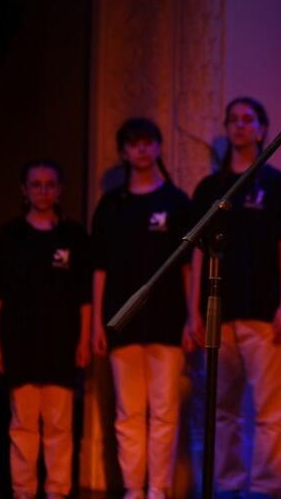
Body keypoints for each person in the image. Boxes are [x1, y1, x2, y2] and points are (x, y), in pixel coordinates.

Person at [189, 97, 281, 499]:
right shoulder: (210, 188)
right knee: (222, 410)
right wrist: (193, 311)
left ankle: (265, 488)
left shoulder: (277, 184)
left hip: (264, 311)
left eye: (247, 119)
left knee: (269, 411)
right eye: (232, 120)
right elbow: (197, 256)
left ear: (262, 128)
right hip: (218, 314)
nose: (239, 126)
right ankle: (228, 484)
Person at [91, 118, 192, 499]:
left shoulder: (176, 201)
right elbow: (99, 268)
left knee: (164, 411)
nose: (142, 149)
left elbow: (188, 267)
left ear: (159, 147)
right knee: (128, 412)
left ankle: (157, 489)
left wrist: (192, 317)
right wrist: (97, 324)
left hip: (167, 320)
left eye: (149, 142)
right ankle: (134, 489)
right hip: (122, 322)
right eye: (134, 143)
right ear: (123, 152)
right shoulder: (110, 206)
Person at [0, 159, 92, 499]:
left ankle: (57, 490)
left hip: (61, 342)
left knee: (59, 423)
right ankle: (24, 491)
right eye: (36, 184)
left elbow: (84, 296)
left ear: (60, 190)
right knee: (23, 424)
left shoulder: (73, 236)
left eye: (50, 185)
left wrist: (84, 340)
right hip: (20, 343)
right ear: (24, 190)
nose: (43, 191)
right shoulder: (9, 236)